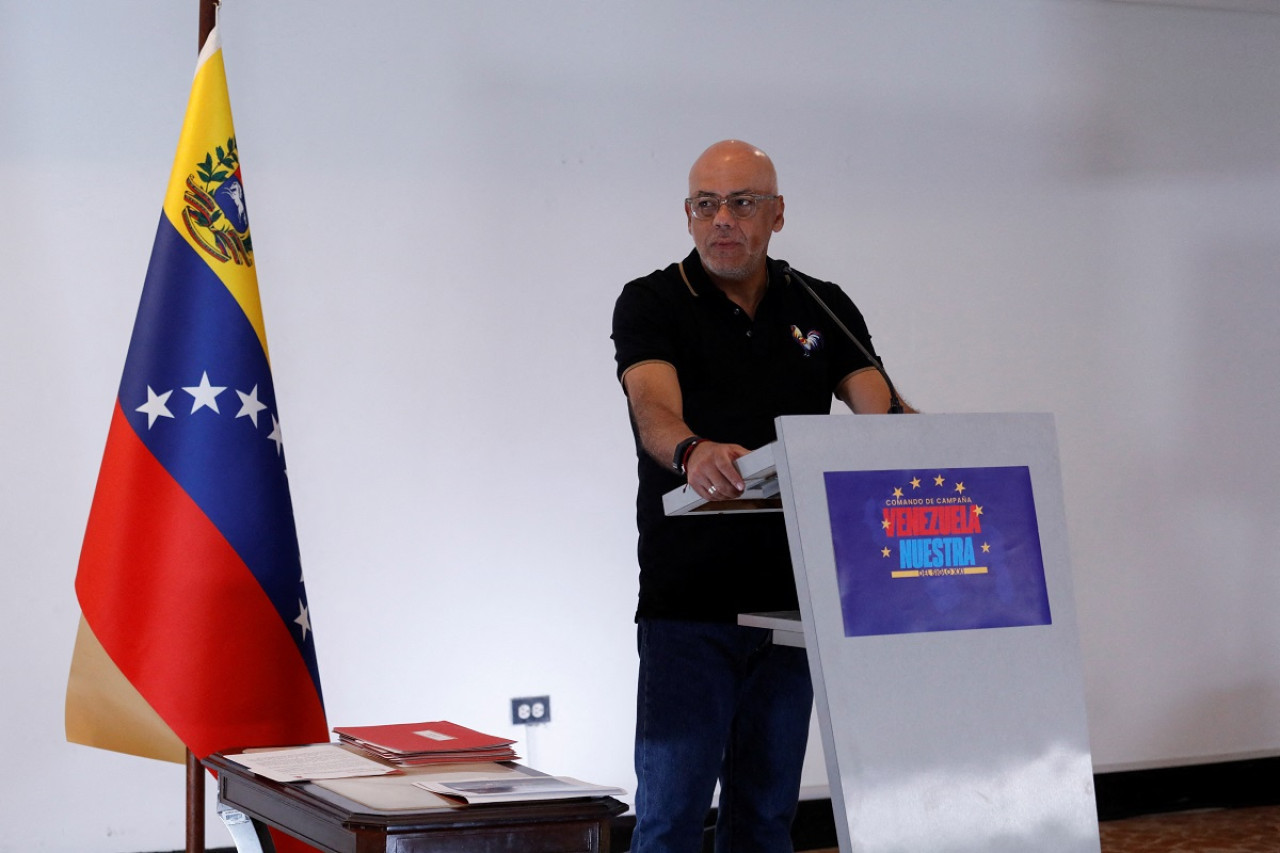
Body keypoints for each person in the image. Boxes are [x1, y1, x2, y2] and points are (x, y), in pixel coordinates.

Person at [611, 139, 913, 853]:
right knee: (670, 822)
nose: (723, 219)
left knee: (764, 820)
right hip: (689, 606)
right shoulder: (653, 301)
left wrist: (950, 454)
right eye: (705, 204)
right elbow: (652, 405)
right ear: (687, 216)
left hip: (791, 606)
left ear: (776, 215)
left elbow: (885, 413)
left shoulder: (819, 304)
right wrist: (693, 450)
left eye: (742, 202)